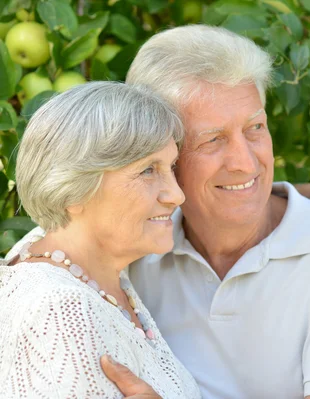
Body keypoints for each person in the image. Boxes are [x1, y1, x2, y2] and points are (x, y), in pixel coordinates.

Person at [104, 25, 310, 399]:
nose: (246, 163)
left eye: (255, 128)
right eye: (213, 140)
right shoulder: (134, 250)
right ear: (162, 153)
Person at [0, 82, 202, 398]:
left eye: (170, 167)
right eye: (148, 170)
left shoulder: (73, 261)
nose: (177, 195)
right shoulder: (61, 310)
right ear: (73, 188)